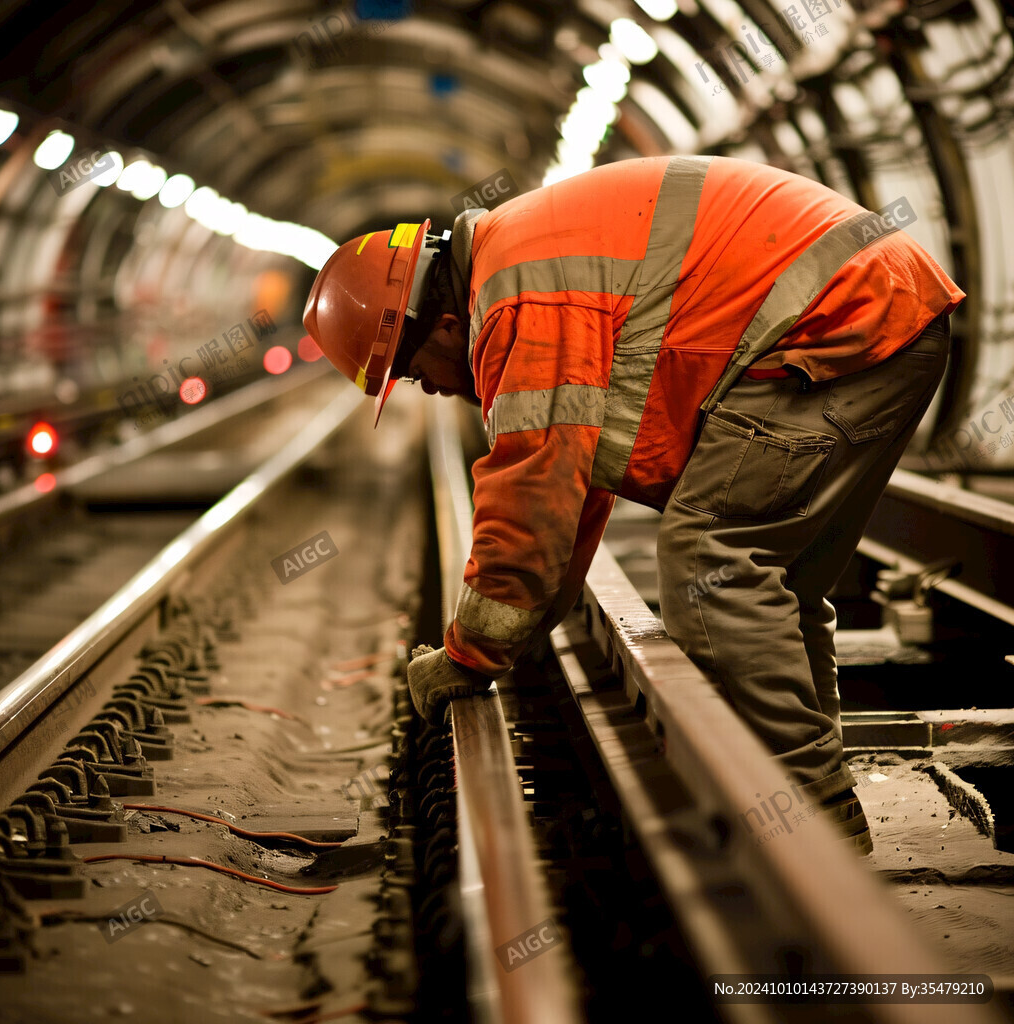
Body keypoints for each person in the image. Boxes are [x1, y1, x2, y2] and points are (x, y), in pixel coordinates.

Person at [303, 156, 965, 853]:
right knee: (778, 586)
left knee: (715, 564)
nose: (431, 391)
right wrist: (513, 637)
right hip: (883, 308)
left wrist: (468, 657)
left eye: (412, 374)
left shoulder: (517, 298)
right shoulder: (521, 259)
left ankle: (812, 837)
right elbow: (569, 498)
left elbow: (532, 489)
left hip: (838, 321)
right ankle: (824, 812)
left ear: (439, 324)